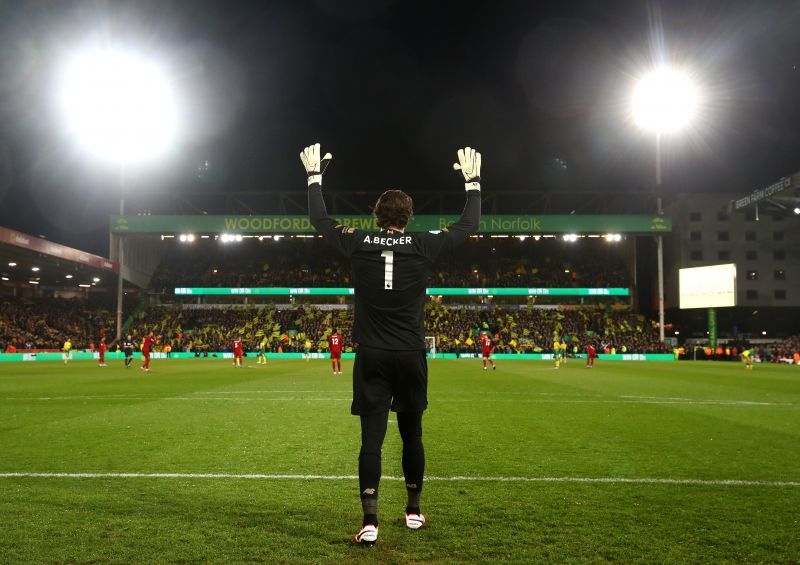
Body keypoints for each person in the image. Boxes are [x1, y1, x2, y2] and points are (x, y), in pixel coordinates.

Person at [303, 143, 481, 546]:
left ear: (376, 216)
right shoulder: (425, 244)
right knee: (412, 435)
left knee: (371, 440)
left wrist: (315, 179)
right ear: (409, 217)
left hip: (372, 355)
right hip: (410, 354)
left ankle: (370, 520)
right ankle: (414, 510)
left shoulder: (357, 242)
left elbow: (319, 219)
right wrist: (473, 183)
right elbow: (467, 224)